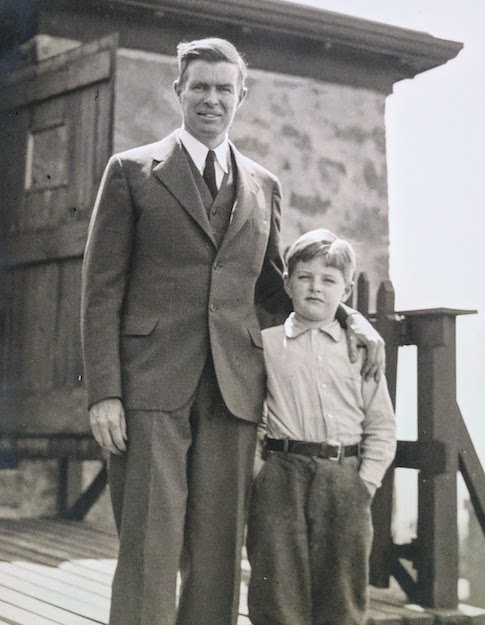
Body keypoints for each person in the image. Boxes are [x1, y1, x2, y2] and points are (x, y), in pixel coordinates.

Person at [81, 38, 385, 625]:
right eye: (200, 87)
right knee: (149, 543)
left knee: (219, 550)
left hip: (234, 389)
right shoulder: (131, 172)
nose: (212, 100)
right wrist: (104, 392)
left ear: (241, 96)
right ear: (179, 91)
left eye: (224, 89)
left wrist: (349, 315)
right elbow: (100, 292)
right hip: (149, 387)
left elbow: (274, 287)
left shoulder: (263, 185)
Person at [247, 228, 397, 625]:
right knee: (276, 593)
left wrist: (364, 483)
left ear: (345, 291)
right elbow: (254, 416)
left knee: (342, 596)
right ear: (287, 283)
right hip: (281, 475)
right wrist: (260, 473)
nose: (316, 288)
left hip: (343, 479)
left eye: (329, 280)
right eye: (305, 278)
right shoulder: (267, 345)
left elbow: (381, 426)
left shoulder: (359, 349)